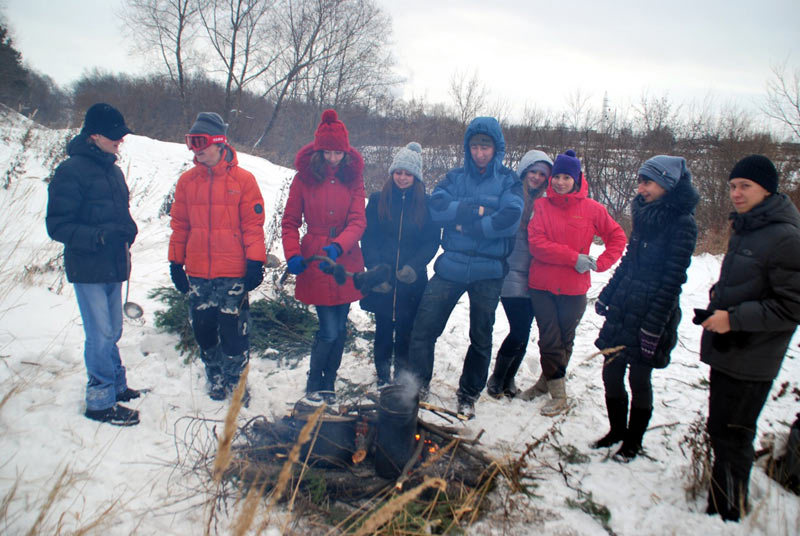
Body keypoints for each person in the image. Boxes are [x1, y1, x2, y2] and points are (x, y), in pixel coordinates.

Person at [699, 155, 800, 522]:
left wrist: (734, 317)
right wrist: (718, 298)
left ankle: (729, 512)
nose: (736, 194)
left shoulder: (786, 236)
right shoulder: (750, 227)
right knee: (719, 429)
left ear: (767, 189)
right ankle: (717, 500)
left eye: (746, 186)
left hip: (753, 358)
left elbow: (792, 307)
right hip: (731, 349)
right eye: (732, 186)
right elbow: (750, 281)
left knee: (734, 436)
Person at [405, 117, 523, 418]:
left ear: (496, 148)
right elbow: (437, 207)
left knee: (481, 337)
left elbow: (510, 217)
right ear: (467, 148)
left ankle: (468, 394)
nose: (479, 152)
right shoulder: (454, 178)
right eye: (474, 146)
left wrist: (465, 223)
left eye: (485, 146)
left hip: (489, 271)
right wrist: (477, 211)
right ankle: (418, 386)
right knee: (423, 328)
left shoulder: (509, 180)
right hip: (452, 265)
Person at [593, 156, 699, 461]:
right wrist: (608, 293)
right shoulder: (643, 214)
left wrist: (654, 326)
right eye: (639, 181)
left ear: (666, 184)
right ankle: (616, 431)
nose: (640, 188)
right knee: (611, 373)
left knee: (639, 379)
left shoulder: (682, 224)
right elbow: (629, 260)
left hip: (653, 311)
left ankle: (633, 442)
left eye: (647, 182)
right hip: (626, 304)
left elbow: (673, 280)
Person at [46, 103, 141, 426]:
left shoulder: (112, 170)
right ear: (95, 135)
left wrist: (128, 228)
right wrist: (99, 236)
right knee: (99, 333)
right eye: (115, 136)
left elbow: (119, 215)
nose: (120, 141)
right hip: (88, 266)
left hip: (114, 263)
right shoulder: (70, 171)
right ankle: (99, 400)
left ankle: (116, 384)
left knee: (113, 329)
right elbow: (57, 226)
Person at [169, 112, 266, 403]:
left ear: (219, 143)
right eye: (192, 143)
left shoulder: (244, 180)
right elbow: (180, 225)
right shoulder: (187, 182)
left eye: (202, 143)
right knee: (204, 329)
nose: (196, 150)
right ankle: (216, 377)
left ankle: (237, 383)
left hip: (232, 272)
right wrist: (176, 262)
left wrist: (255, 262)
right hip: (199, 272)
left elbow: (253, 226)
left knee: (233, 331)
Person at [525, 150, 626, 416]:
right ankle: (559, 396)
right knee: (549, 338)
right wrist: (574, 258)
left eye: (566, 177)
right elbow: (537, 245)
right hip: (542, 285)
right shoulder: (541, 206)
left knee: (565, 339)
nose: (559, 182)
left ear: (577, 179)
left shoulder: (592, 209)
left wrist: (601, 263)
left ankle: (546, 382)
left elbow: (617, 237)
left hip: (574, 288)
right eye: (556, 176)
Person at [282, 109, 366, 403]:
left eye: (338, 153)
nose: (333, 159)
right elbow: (290, 221)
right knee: (329, 329)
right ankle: (314, 381)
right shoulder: (304, 179)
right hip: (315, 259)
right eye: (328, 152)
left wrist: (339, 245)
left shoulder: (353, 178)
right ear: (319, 151)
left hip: (345, 258)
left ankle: (329, 381)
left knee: (341, 327)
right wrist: (292, 253)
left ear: (345, 152)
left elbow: (358, 221)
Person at [359, 142, 440, 387]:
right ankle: (383, 376)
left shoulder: (426, 204)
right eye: (398, 172)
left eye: (408, 174)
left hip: (411, 279)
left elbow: (431, 242)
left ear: (416, 177)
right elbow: (368, 237)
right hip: (383, 277)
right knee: (383, 328)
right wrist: (374, 270)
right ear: (392, 172)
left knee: (406, 330)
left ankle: (402, 378)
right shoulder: (377, 200)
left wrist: (414, 266)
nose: (402, 178)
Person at [487, 150, 552, 399]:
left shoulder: (545, 202)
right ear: (524, 172)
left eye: (541, 174)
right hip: (510, 269)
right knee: (520, 329)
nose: (536, 177)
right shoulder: (510, 194)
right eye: (532, 172)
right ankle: (497, 377)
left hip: (536, 273)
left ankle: (509, 378)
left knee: (526, 329)